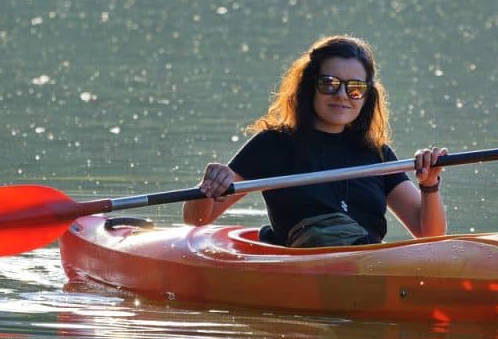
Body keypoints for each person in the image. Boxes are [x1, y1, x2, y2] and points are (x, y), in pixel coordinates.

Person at [183, 35, 447, 247]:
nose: (342, 95)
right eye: (329, 83)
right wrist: (210, 184)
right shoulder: (273, 144)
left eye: (355, 88)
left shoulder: (376, 153)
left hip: (367, 265)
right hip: (305, 266)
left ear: (367, 97)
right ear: (309, 87)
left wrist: (429, 184)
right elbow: (197, 218)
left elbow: (429, 236)